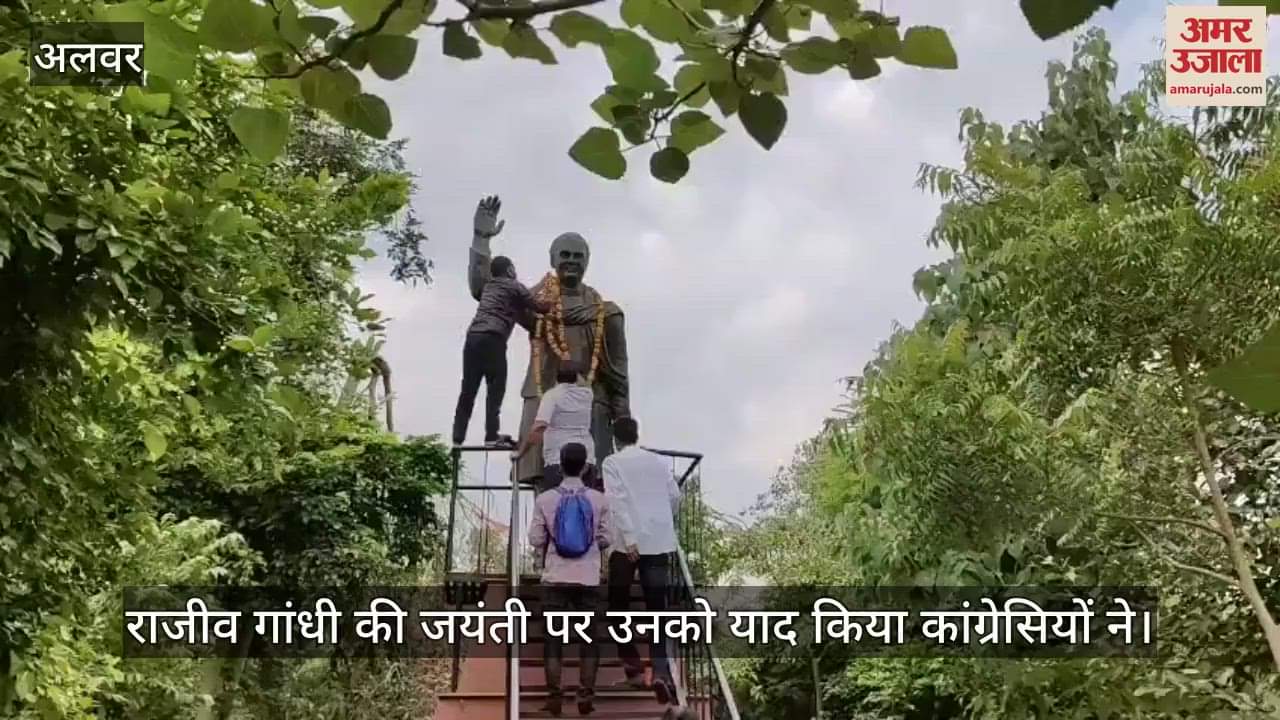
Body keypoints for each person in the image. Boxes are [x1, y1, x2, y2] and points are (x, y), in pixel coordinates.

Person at [451, 197, 549, 448]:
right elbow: (536, 305)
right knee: (496, 387)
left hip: (473, 337)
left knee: (468, 388)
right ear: (510, 271)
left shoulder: (490, 288)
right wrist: (552, 298)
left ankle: (458, 437)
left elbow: (522, 300)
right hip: (493, 338)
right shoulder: (513, 287)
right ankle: (491, 435)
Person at [600, 417, 681, 705]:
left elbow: (616, 500)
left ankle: (633, 666)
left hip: (626, 545)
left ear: (615, 439)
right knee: (657, 609)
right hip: (658, 541)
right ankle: (660, 671)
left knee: (617, 607)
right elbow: (675, 496)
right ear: (636, 435)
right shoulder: (659, 461)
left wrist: (631, 537)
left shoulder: (612, 462)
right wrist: (660, 522)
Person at [528, 442, 611, 717]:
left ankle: (555, 700)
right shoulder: (599, 500)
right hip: (588, 578)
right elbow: (606, 538)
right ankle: (585, 696)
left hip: (555, 577)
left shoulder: (545, 499)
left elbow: (535, 539)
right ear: (586, 467)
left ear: (560, 467)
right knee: (590, 640)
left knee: (553, 641)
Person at [512, 361, 597, 491]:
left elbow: (539, 428)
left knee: (557, 502)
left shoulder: (552, 396)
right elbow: (583, 384)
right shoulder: (588, 395)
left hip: (558, 461)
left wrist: (521, 453)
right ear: (577, 377)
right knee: (585, 502)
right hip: (587, 460)